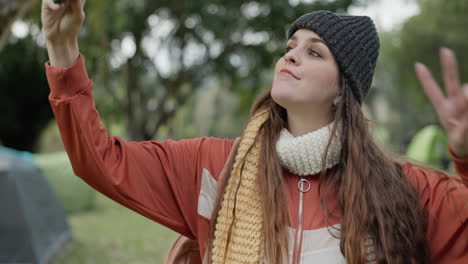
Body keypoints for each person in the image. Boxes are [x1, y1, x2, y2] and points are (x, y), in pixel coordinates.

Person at [41, 0, 468, 263]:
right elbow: (102, 162)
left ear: (344, 91)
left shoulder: (403, 191)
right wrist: (63, 51)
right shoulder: (213, 166)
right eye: (290, 46)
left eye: (314, 51)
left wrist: (464, 154)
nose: (292, 56)